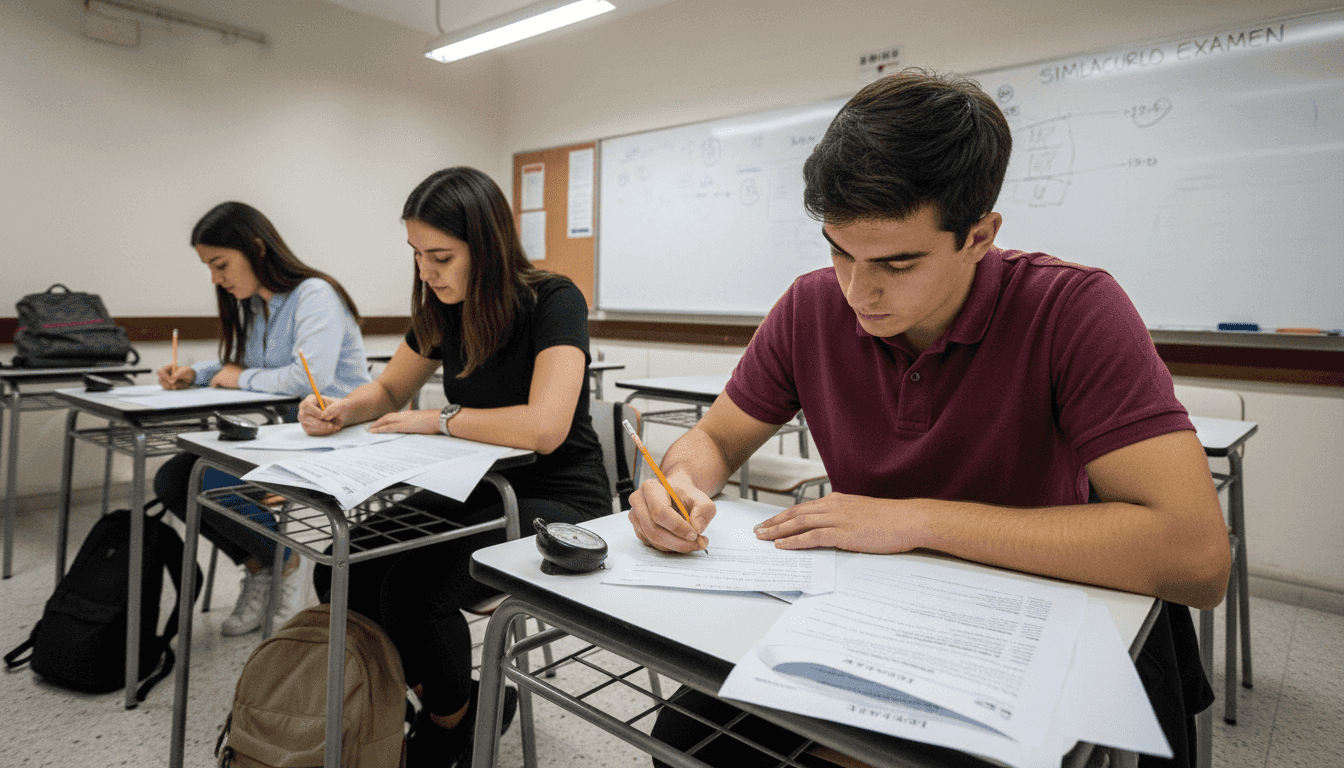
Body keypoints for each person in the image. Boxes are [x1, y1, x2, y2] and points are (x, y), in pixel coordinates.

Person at [630, 70, 1230, 768]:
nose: (858, 290)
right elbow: (715, 438)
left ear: (979, 236)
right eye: (838, 250)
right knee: (683, 740)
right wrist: (676, 487)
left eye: (899, 261)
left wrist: (918, 521)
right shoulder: (810, 306)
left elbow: (1195, 559)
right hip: (869, 614)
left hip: (1020, 621)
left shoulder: (1073, 309)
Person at [298, 166, 611, 768]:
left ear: (487, 247)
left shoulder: (553, 299)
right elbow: (389, 390)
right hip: (479, 487)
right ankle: (448, 697)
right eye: (416, 255)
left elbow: (544, 428)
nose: (426, 272)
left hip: (559, 500)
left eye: (440, 256)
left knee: (413, 592)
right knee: (346, 570)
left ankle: (455, 723)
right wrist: (341, 409)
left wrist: (440, 419)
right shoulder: (442, 308)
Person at [154, 201, 371, 636]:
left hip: (342, 435)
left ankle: (283, 560)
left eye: (220, 264)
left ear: (256, 249)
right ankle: (265, 565)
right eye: (209, 268)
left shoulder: (314, 294)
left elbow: (306, 379)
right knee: (174, 481)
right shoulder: (256, 305)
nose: (216, 278)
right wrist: (197, 373)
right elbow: (242, 366)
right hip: (289, 434)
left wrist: (237, 378)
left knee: (207, 480)